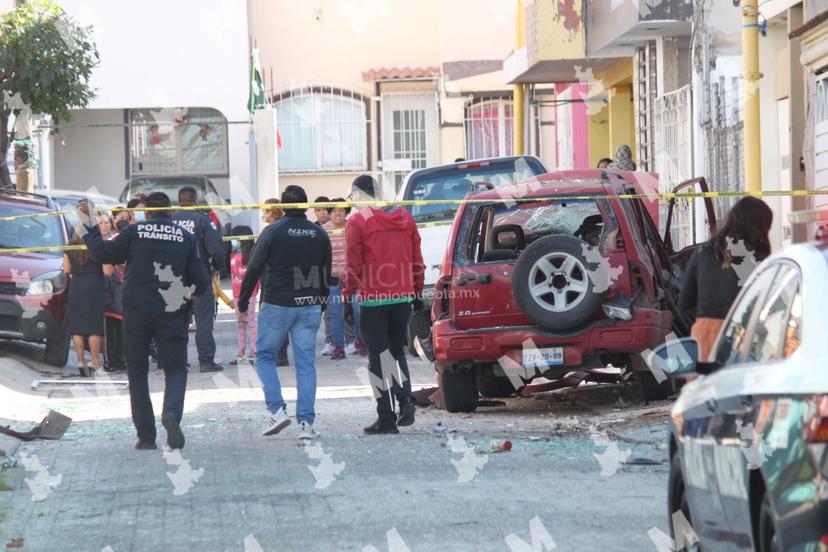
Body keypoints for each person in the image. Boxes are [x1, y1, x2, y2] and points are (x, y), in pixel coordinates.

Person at [81, 192, 210, 450]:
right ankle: (171, 413)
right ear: (171, 212)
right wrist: (187, 293)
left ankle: (146, 436)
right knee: (175, 369)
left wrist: (88, 224)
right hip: (171, 310)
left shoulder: (135, 232)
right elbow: (202, 281)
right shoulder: (184, 237)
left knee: (137, 373)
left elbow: (103, 254)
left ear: (147, 212)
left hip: (136, 310)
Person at [237, 185, 331, 440]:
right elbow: (326, 273)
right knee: (305, 363)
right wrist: (320, 303)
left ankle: (277, 410)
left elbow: (254, 267)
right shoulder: (318, 233)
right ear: (305, 206)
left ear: (283, 205)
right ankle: (306, 425)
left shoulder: (273, 231)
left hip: (277, 302)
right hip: (309, 303)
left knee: (264, 356)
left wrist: (243, 302)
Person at [343, 175, 424, 435]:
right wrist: (417, 289)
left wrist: (348, 293)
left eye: (352, 196)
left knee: (378, 359)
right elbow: (416, 258)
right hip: (402, 296)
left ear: (358, 194)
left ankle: (386, 417)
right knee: (395, 352)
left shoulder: (357, 221)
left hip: (374, 297)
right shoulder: (405, 217)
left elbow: (353, 262)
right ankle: (406, 399)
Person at [679, 197, 773, 360]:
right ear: (760, 228)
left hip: (705, 338)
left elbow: (683, 305)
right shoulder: (759, 260)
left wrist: (708, 316)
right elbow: (771, 306)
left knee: (704, 385)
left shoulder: (703, 253)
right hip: (744, 339)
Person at [172, 186, 226, 373]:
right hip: (199, 277)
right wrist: (218, 268)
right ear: (195, 201)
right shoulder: (203, 220)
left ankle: (172, 360)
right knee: (203, 321)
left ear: (179, 201)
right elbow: (217, 249)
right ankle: (205, 361)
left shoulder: (170, 220)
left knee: (175, 320)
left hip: (174, 278)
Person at [323, 198, 367, 359]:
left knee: (358, 310)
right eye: (334, 210)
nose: (338, 214)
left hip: (353, 278)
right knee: (335, 314)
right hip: (333, 279)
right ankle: (338, 347)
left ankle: (360, 341)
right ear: (329, 213)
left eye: (341, 210)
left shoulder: (353, 227)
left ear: (346, 212)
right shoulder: (323, 230)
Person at [63, 232, 109, 377]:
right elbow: (107, 271)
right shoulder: (98, 245)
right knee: (94, 327)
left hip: (77, 285)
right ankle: (94, 361)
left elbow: (66, 270)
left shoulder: (70, 246)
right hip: (95, 285)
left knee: (77, 327)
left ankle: (81, 361)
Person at [261, 198, 289, 367]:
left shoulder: (270, 231)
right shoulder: (286, 227)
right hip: (288, 280)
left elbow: (258, 259)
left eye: (264, 211)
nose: (262, 215)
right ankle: (281, 353)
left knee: (274, 318)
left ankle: (278, 353)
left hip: (272, 279)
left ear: (271, 212)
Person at [230, 225, 257, 365]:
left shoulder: (252, 256)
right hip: (236, 293)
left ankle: (253, 353)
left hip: (250, 293)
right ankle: (241, 353)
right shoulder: (234, 253)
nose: (233, 241)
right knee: (240, 323)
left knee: (251, 322)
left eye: (234, 238)